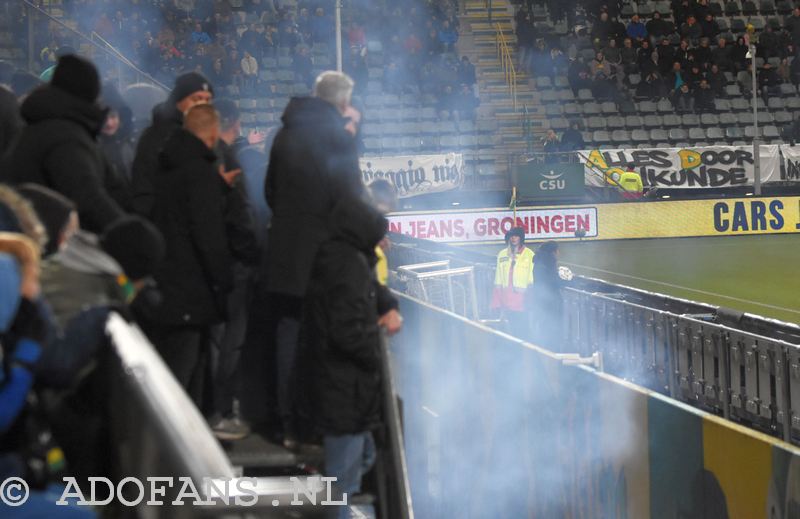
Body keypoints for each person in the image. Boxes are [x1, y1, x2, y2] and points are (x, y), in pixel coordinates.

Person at [263, 71, 365, 445]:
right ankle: (312, 428)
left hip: (285, 260)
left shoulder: (284, 135)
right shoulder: (338, 139)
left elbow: (270, 192)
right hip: (323, 261)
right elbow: (350, 202)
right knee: (320, 344)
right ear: (341, 103)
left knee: (287, 337)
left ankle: (285, 424)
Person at [301, 194, 401, 519]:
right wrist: (379, 332)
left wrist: (387, 305)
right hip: (342, 390)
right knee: (341, 483)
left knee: (362, 459)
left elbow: (371, 290)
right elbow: (347, 334)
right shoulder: (346, 267)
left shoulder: (345, 257)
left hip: (347, 392)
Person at [143, 104, 233, 408]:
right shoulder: (199, 173)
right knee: (183, 373)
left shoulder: (166, 167)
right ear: (212, 135)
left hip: (167, 283)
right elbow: (209, 236)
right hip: (192, 290)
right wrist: (224, 280)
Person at [3, 55, 125, 234]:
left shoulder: (44, 125)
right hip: (54, 241)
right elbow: (88, 198)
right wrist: (129, 232)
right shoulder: (65, 137)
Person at [131, 72, 214, 218]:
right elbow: (144, 190)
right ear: (179, 101)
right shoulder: (156, 137)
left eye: (207, 100)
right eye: (196, 99)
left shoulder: (209, 137)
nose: (202, 105)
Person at [490, 227, 534, 339]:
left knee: (522, 331)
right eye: (511, 236)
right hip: (505, 298)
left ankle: (524, 353)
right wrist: (496, 302)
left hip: (522, 300)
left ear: (521, 238)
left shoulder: (530, 255)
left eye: (516, 236)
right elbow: (498, 278)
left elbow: (531, 279)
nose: (513, 238)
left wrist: (530, 299)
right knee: (506, 332)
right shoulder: (502, 254)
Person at [528, 241, 569, 351]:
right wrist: (566, 281)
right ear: (553, 252)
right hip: (551, 303)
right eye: (557, 250)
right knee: (552, 328)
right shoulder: (548, 263)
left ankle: (544, 348)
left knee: (543, 327)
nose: (558, 253)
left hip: (540, 301)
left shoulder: (539, 263)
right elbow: (552, 282)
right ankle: (551, 351)